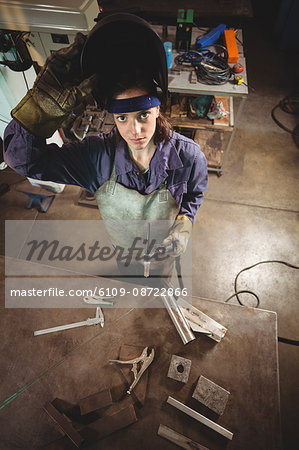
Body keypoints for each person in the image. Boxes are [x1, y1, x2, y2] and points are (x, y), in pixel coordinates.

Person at [3, 22, 208, 288]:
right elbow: (23, 161)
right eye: (122, 117)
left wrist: (185, 222)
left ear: (158, 108)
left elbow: (194, 193)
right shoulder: (95, 159)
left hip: (165, 251)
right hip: (123, 249)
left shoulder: (190, 158)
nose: (135, 130)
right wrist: (41, 107)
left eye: (143, 114)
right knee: (130, 279)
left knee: (158, 287)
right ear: (112, 116)